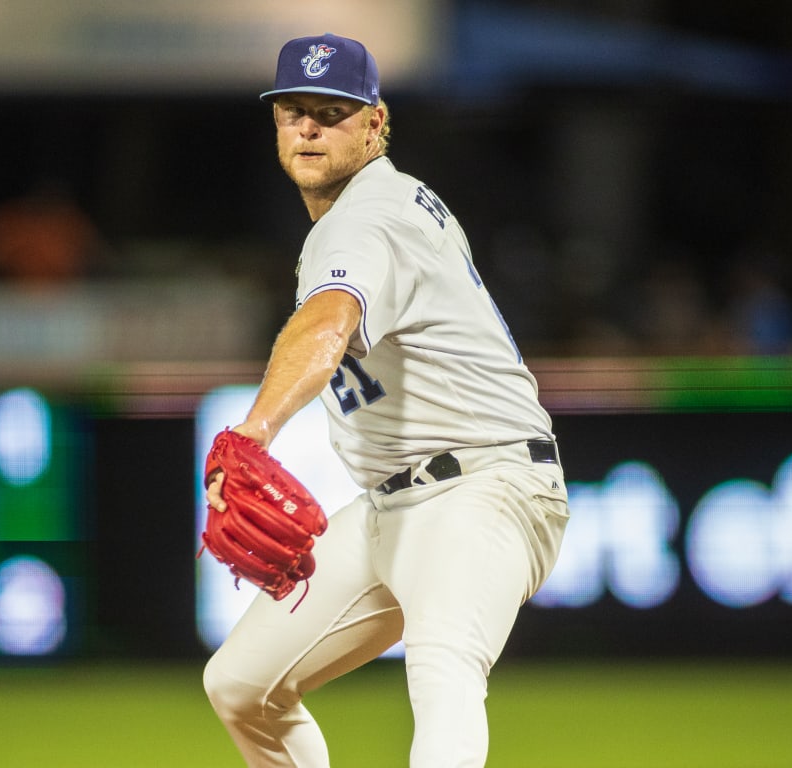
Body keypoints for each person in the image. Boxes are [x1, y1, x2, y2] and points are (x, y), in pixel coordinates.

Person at [202, 33, 570, 767]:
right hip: (392, 507)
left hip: (484, 489)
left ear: (375, 122)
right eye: (293, 110)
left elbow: (328, 319)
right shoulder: (377, 208)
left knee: (444, 671)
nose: (308, 127)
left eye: (331, 111)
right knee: (241, 685)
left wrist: (254, 432)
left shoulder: (369, 216)